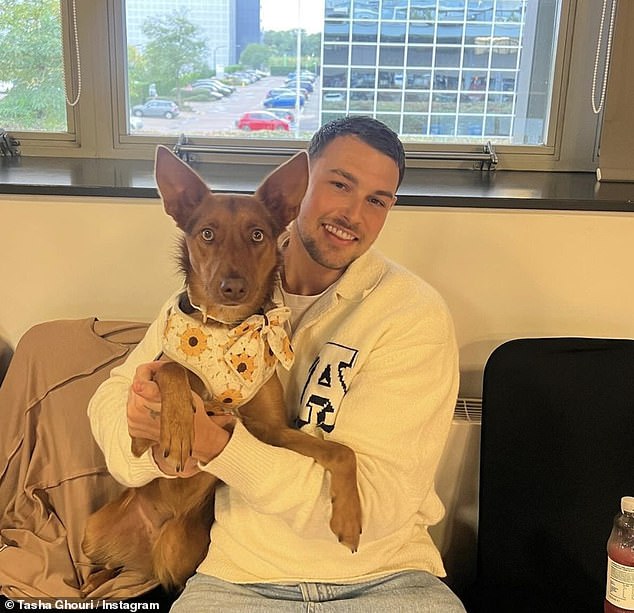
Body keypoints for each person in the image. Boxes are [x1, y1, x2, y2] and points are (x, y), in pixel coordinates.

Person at [87, 116, 465, 612]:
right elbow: (109, 403)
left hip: (384, 576)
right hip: (237, 577)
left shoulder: (412, 315)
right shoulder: (208, 300)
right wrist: (149, 450)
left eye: (377, 199)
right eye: (339, 184)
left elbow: (379, 507)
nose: (353, 212)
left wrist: (221, 447)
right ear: (300, 191)